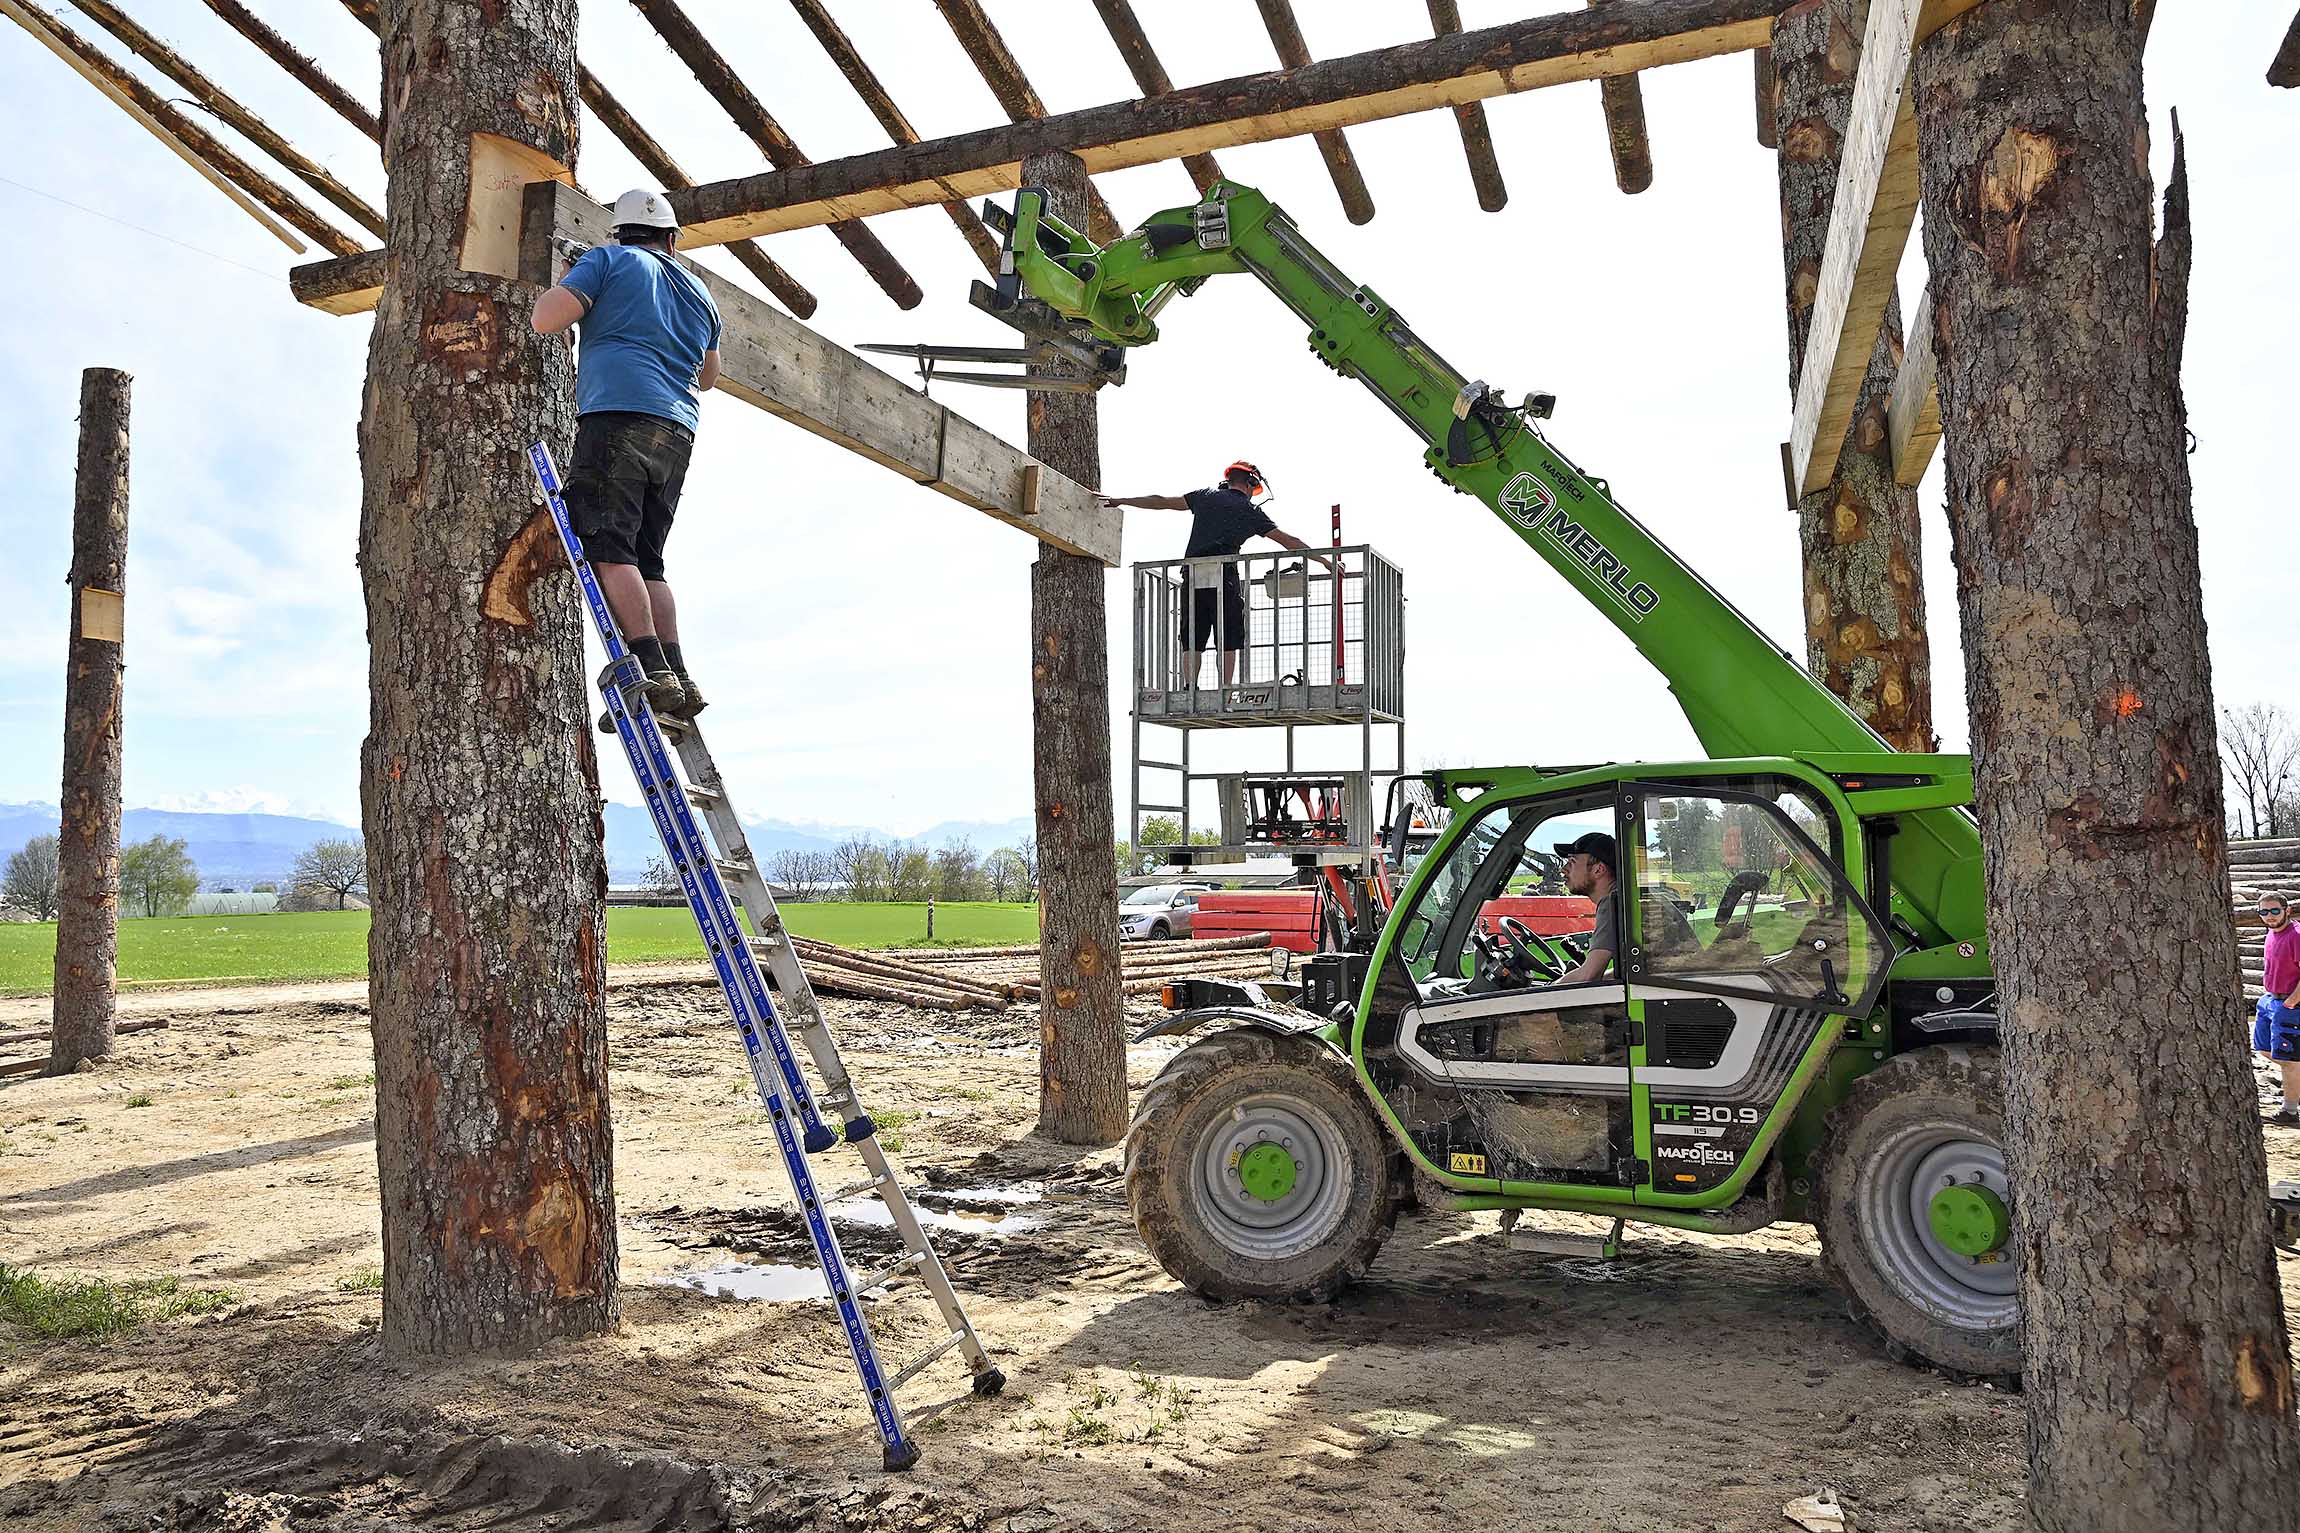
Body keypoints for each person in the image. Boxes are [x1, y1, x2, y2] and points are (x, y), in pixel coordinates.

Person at [531, 188, 723, 725]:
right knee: (648, 558)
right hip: (676, 431)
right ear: (671, 238)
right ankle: (678, 674)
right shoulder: (699, 293)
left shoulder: (608, 261)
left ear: (622, 232)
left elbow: (546, 320)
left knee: (608, 547)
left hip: (617, 416)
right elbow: (707, 379)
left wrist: (580, 278)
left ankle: (649, 666)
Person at [1099, 462, 1328, 687]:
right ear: (1250, 483)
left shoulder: (1204, 496)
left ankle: (1190, 687)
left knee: (1192, 636)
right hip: (1224, 574)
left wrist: (1121, 500)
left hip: (1193, 573)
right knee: (1228, 635)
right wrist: (1325, 560)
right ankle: (1225, 689)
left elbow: (1161, 502)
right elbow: (1290, 542)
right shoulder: (1250, 511)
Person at [2254, 892, 2300, 1124]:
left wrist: (2292, 1000)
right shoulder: (2271, 934)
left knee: (2290, 1060)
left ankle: (2290, 1111)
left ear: (2287, 910)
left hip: (2290, 1005)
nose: (2270, 916)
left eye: (2274, 911)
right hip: (2269, 1000)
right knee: (2263, 1048)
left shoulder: (2297, 935)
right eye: (2264, 912)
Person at [1551, 832, 1619, 985]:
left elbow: (1589, 976)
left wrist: (1545, 993)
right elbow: (1622, 974)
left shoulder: (1613, 903)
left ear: (1598, 870)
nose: (1563, 869)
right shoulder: (1624, 900)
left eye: (1572, 862)